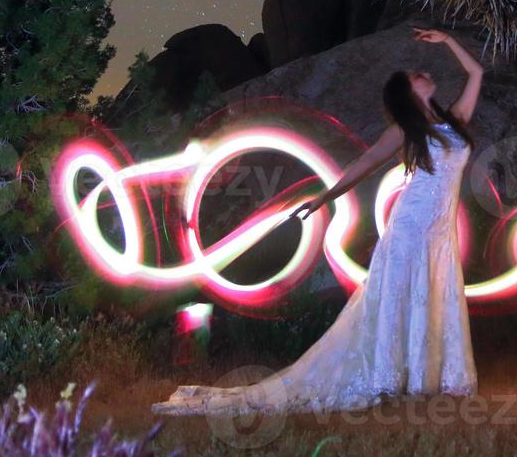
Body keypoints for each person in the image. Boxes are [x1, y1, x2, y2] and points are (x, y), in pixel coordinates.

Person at [152, 27, 483, 414]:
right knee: (403, 295)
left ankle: (425, 378)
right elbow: (364, 163)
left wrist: (447, 41)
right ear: (408, 93)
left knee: (434, 293)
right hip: (411, 225)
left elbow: (476, 74)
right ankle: (390, 380)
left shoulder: (454, 120)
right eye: (414, 75)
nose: (423, 74)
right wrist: (325, 197)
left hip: (440, 231)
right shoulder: (405, 132)